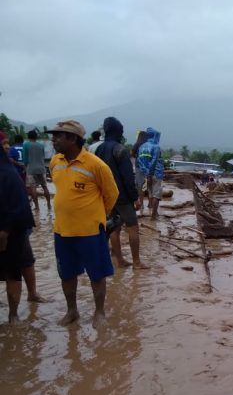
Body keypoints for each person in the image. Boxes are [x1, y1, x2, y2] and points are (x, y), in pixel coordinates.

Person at [47, 120, 119, 326]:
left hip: (90, 232)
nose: (53, 139)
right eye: (53, 135)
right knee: (66, 274)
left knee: (97, 274)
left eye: (58, 136)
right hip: (61, 231)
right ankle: (72, 311)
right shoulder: (55, 162)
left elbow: (111, 195)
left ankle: (99, 312)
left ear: (73, 139)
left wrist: (97, 216)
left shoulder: (96, 165)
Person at [95, 117, 147, 269]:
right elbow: (127, 177)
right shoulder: (120, 150)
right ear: (118, 132)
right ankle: (136, 262)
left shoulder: (99, 149)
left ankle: (119, 261)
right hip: (122, 196)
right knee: (132, 227)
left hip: (106, 197)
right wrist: (135, 198)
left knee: (113, 228)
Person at [0, 141, 36, 323]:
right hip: (12, 228)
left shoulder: (8, 174)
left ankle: (13, 315)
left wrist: (5, 231)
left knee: (13, 271)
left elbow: (18, 206)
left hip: (12, 231)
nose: (7, 147)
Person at [135, 127, 163, 219]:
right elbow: (154, 160)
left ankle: (152, 212)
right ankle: (154, 215)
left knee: (150, 192)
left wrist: (146, 172)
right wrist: (150, 173)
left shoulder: (142, 147)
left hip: (146, 173)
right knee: (156, 194)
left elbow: (139, 160)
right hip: (156, 173)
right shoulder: (156, 146)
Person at [23, 130, 52, 210]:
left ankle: (37, 207)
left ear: (28, 137)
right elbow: (43, 156)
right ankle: (49, 205)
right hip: (41, 168)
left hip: (31, 169)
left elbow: (25, 159)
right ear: (36, 137)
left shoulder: (26, 145)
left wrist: (25, 168)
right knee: (44, 186)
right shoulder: (41, 145)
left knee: (33, 188)